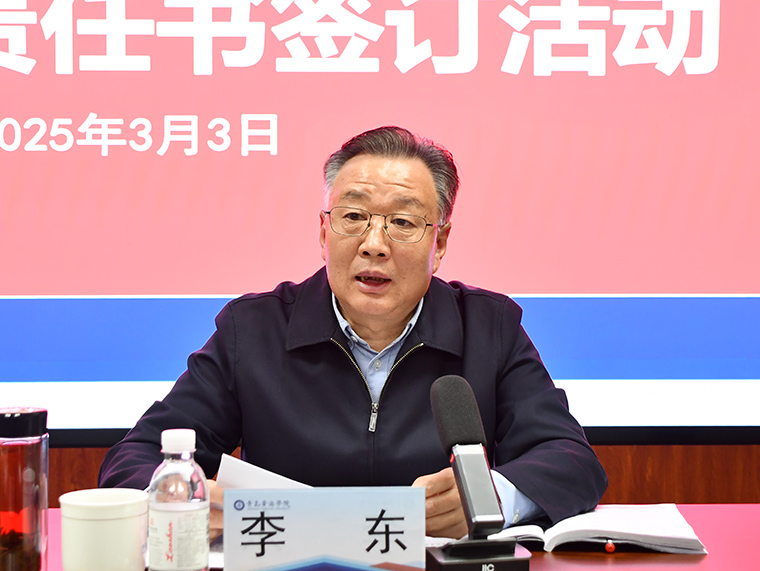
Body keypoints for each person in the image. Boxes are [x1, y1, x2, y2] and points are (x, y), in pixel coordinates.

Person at [99, 126, 607, 540]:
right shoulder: (252, 330)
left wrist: (492, 497)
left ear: (440, 242)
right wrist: (184, 498)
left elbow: (570, 460)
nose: (374, 244)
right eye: (354, 217)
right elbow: (135, 458)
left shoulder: (488, 328)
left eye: (402, 222)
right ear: (324, 232)